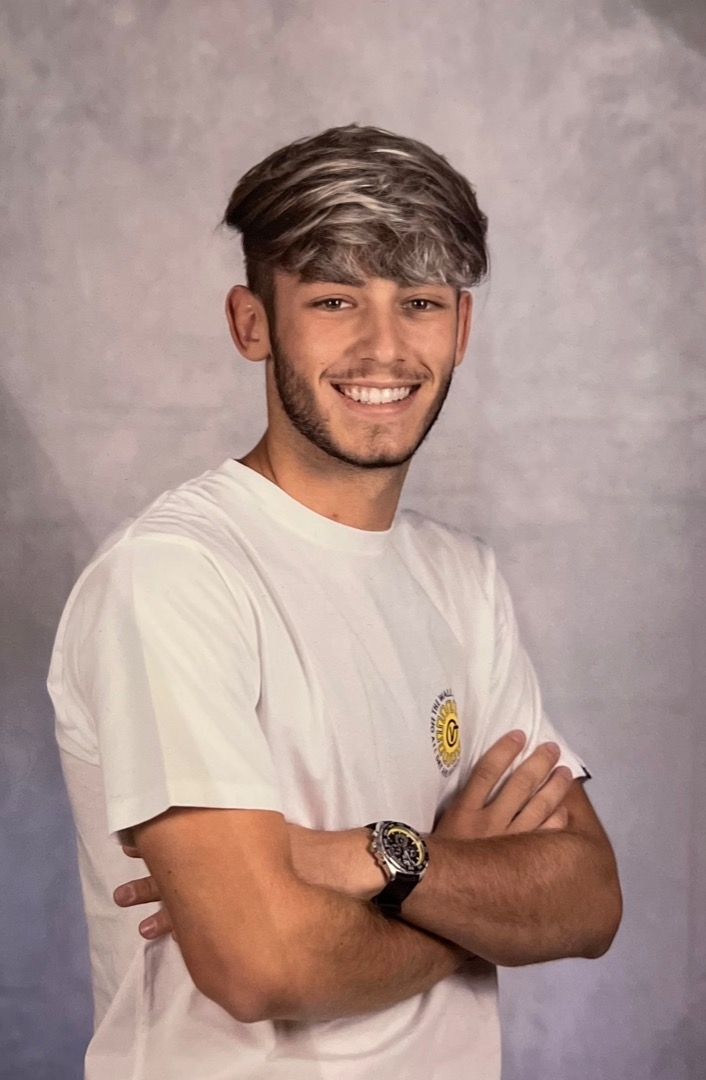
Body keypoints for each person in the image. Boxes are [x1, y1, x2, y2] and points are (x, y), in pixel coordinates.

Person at [48, 124, 622, 1080]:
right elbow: (259, 965)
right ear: (252, 324)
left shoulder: (462, 580)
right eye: (333, 299)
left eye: (420, 302)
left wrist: (369, 857)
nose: (383, 347)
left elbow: (588, 900)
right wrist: (467, 904)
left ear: (461, 329)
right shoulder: (176, 577)